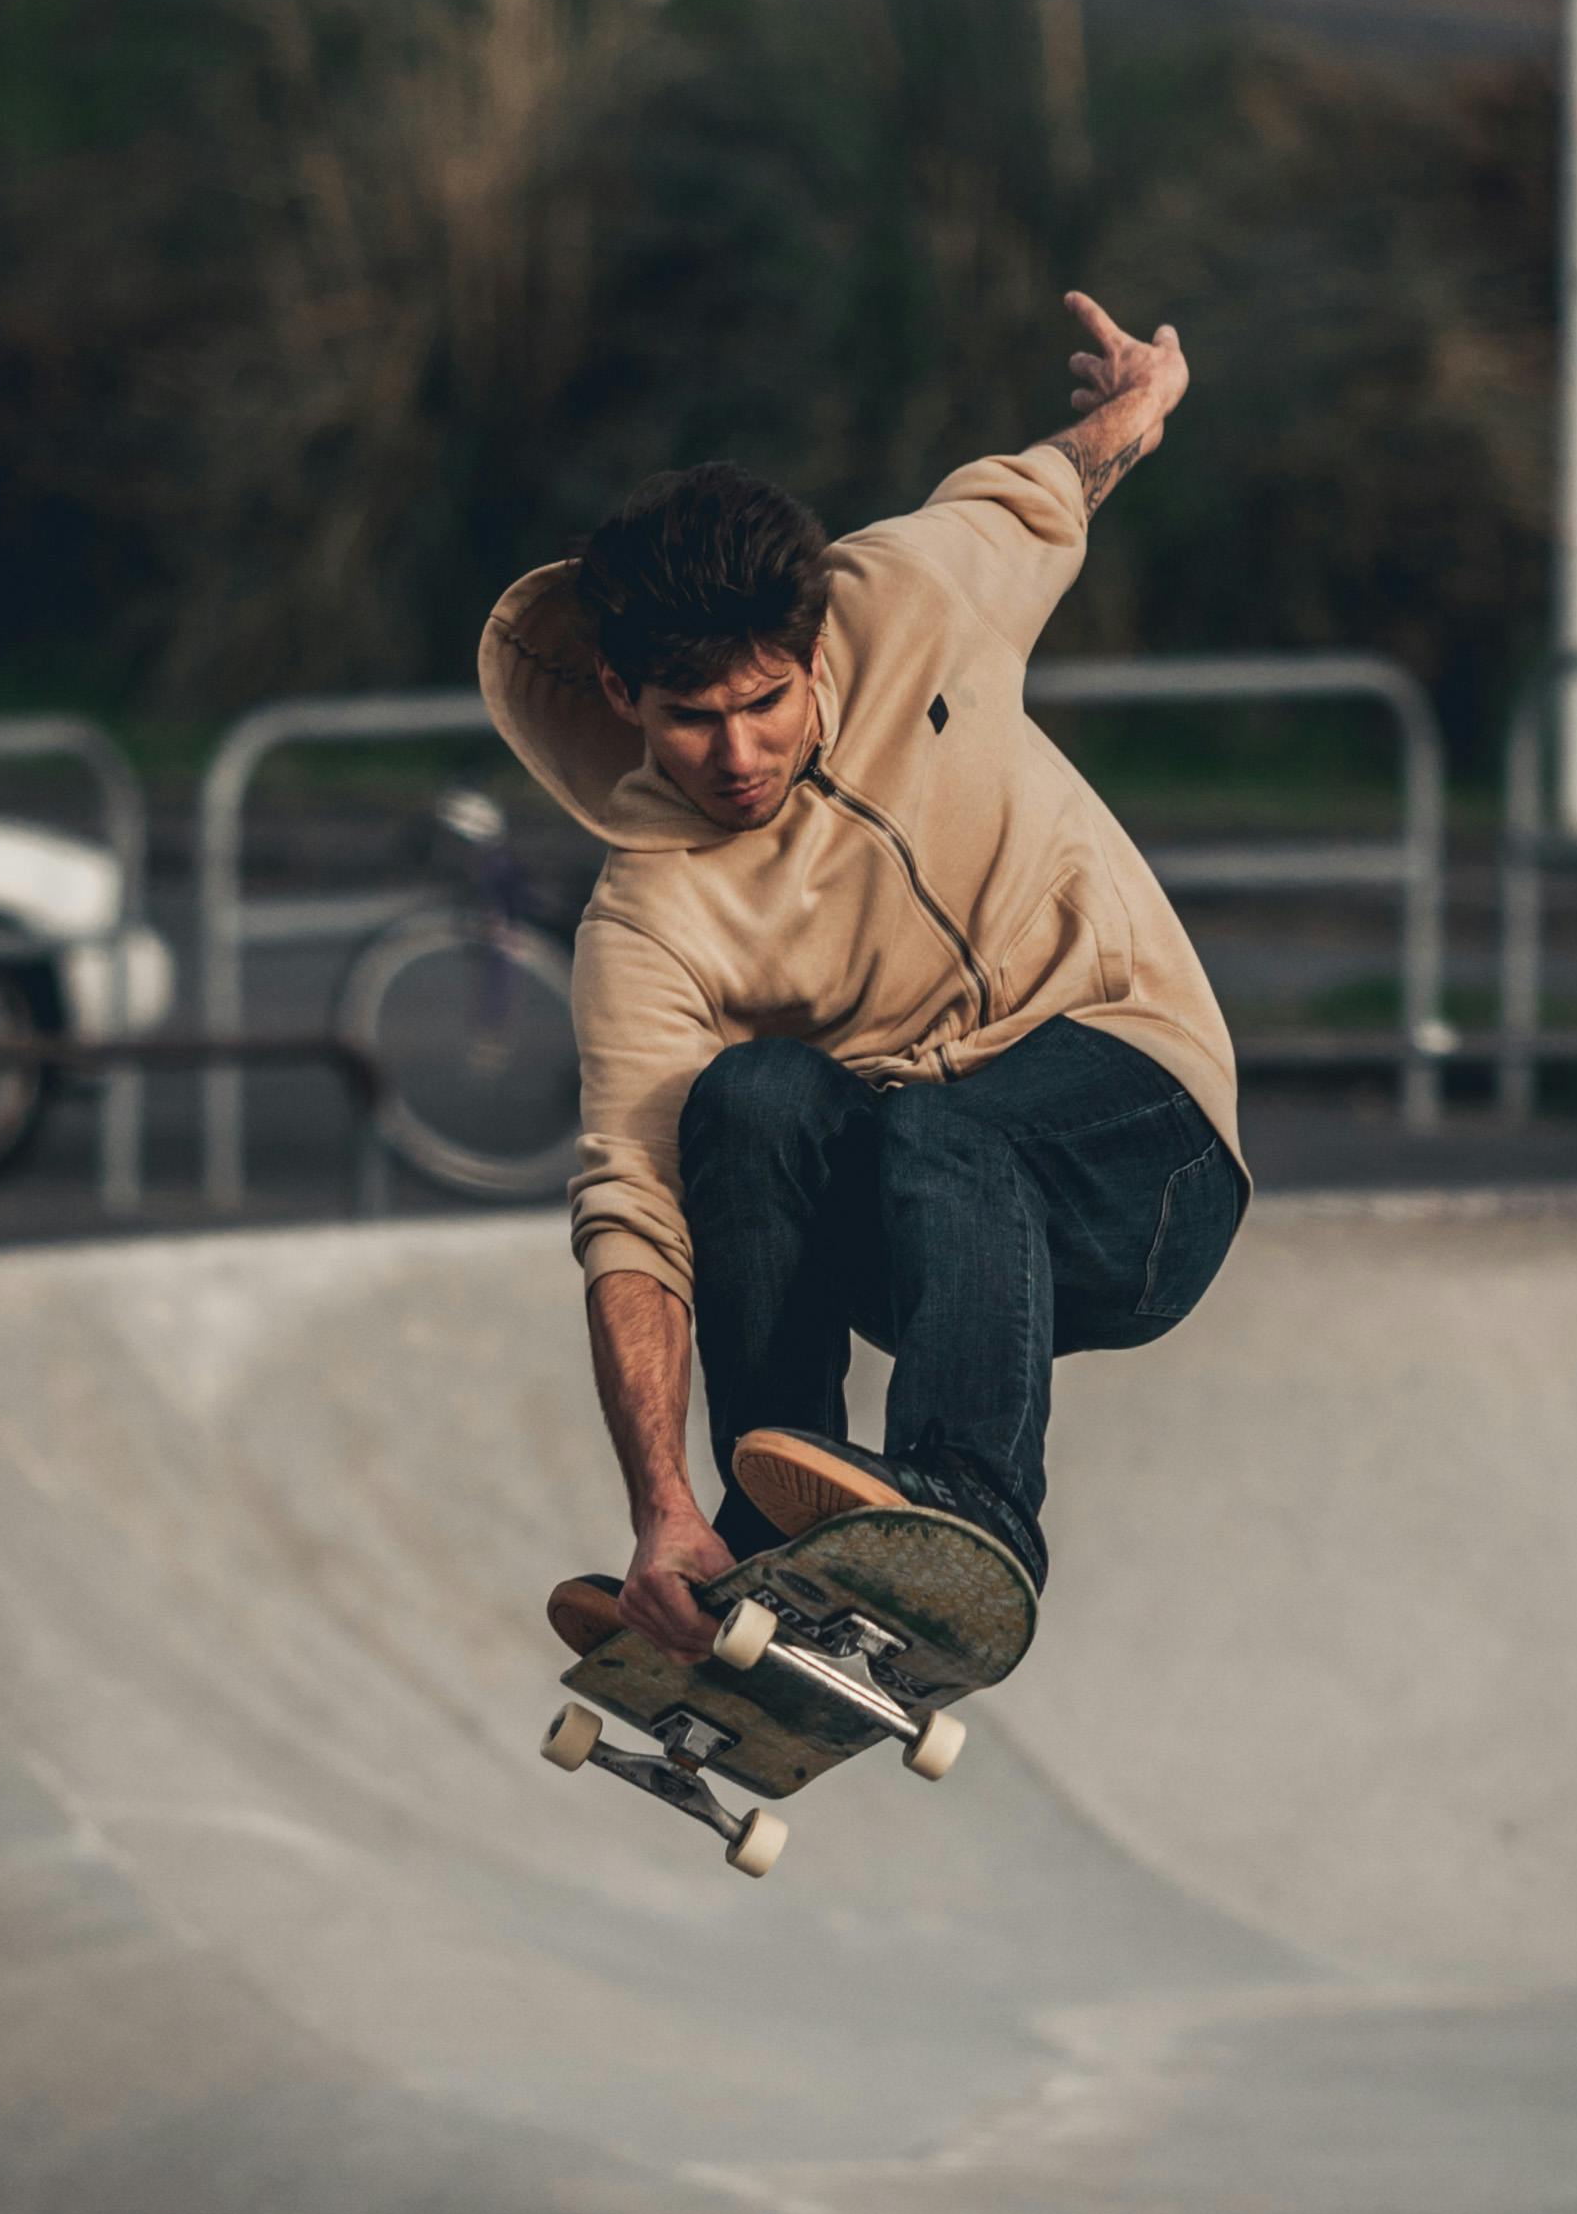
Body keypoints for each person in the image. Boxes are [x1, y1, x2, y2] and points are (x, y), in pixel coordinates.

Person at [479, 296, 1245, 1662]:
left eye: (764, 704)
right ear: (622, 695)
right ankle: (769, 1549)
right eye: (691, 722)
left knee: (930, 1117)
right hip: (945, 1237)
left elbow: (1053, 484)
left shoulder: (919, 592)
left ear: (818, 651)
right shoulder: (649, 916)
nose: (735, 757)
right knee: (751, 1099)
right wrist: (656, 1509)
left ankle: (971, 1523)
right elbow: (636, 1221)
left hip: (1145, 1143)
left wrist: (1144, 396)